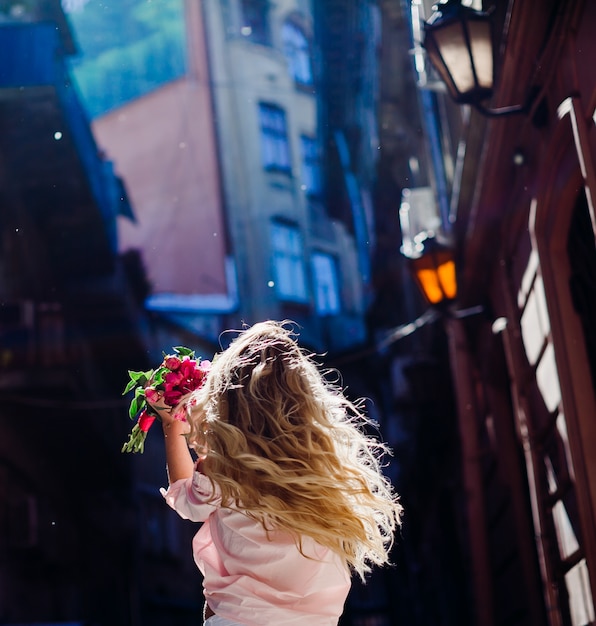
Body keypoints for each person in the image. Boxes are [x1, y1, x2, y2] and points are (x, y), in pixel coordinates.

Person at [152, 320, 402, 626]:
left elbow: (184, 498)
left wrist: (171, 423)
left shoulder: (227, 469)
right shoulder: (323, 470)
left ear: (229, 400)